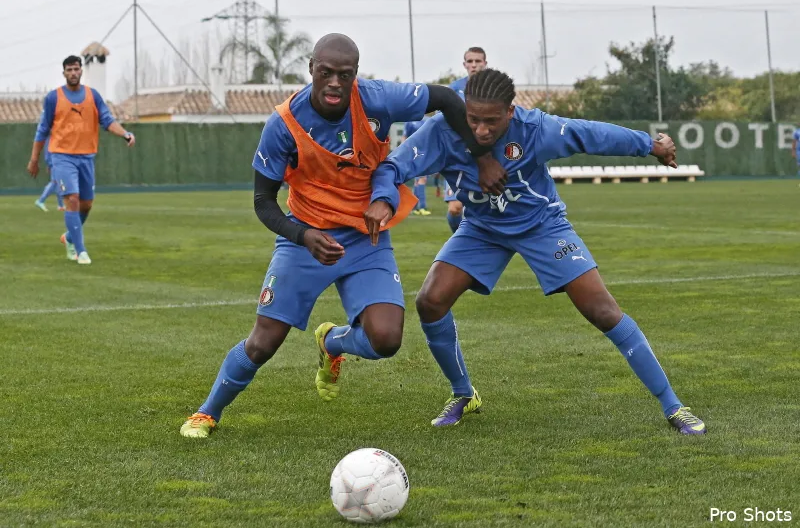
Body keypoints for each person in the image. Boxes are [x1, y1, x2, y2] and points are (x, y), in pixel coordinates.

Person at [179, 33, 504, 439]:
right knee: (263, 343)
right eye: (326, 72)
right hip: (306, 240)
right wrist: (302, 236)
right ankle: (207, 412)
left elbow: (447, 99)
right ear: (311, 68)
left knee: (386, 339)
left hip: (365, 239)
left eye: (345, 74)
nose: (335, 82)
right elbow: (264, 202)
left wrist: (483, 157)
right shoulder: (283, 124)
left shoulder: (377, 98)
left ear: (356, 74)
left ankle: (332, 343)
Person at [375, 69, 707, 435]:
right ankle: (463, 394)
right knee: (431, 300)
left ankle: (674, 406)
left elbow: (590, 134)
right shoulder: (441, 131)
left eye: (492, 121)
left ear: (510, 113)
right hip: (482, 228)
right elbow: (394, 165)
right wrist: (382, 198)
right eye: (473, 119)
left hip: (542, 226)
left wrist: (649, 145)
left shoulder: (536, 129)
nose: (481, 130)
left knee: (602, 310)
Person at [27, 55, 135, 265]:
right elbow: (42, 130)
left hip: (86, 157)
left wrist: (125, 134)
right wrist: (34, 159)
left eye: (76, 69)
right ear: (64, 73)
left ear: (81, 71)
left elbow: (107, 120)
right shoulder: (53, 98)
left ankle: (68, 237)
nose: (73, 73)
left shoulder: (92, 96)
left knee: (86, 204)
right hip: (61, 157)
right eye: (69, 70)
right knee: (72, 200)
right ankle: (80, 250)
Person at [442, 47, 487, 231]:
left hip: (486, 157)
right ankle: (459, 241)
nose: (474, 65)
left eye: (478, 61)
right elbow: (442, 122)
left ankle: (473, 245)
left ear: (485, 63)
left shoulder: (494, 89)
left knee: (486, 209)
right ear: (464, 64)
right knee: (455, 208)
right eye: (470, 61)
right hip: (457, 156)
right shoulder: (454, 90)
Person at [404, 120, 430, 215]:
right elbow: (405, 137)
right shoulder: (410, 122)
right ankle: (422, 207)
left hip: (422, 153)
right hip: (418, 153)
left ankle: (414, 207)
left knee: (417, 181)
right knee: (422, 179)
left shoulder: (426, 120)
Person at [33, 138, 65, 212]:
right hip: (55, 161)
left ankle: (61, 205)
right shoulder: (51, 138)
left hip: (55, 161)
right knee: (55, 182)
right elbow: (49, 151)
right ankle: (41, 200)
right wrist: (50, 163)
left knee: (58, 182)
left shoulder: (51, 138)